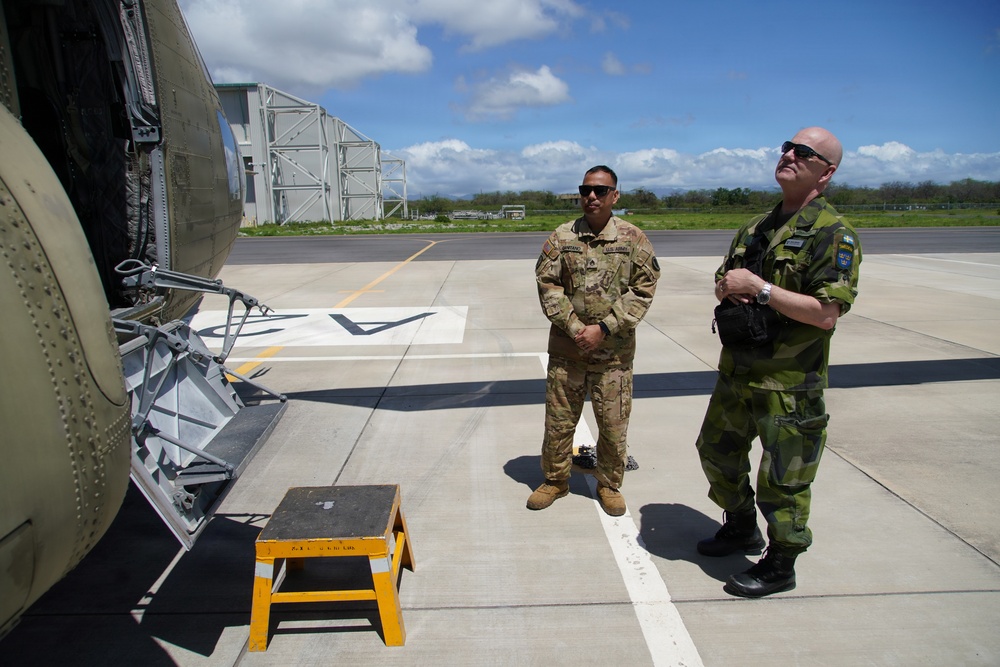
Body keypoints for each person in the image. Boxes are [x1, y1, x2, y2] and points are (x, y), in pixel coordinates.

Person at [694, 127, 861, 597]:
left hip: (789, 383)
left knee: (784, 479)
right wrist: (732, 288)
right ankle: (741, 525)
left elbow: (826, 314)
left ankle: (781, 562)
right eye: (786, 147)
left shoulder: (833, 234)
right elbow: (726, 280)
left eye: (802, 152)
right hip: (738, 372)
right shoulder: (755, 227)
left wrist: (762, 290)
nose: (788, 154)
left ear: (825, 173)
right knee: (715, 452)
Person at [527, 165, 660, 517]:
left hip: (612, 354)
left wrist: (603, 328)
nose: (591, 196)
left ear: (615, 196)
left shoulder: (633, 239)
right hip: (567, 351)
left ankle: (609, 484)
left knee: (614, 424)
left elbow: (643, 289)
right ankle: (555, 480)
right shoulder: (561, 237)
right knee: (559, 422)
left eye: (601, 191)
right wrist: (574, 328)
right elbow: (547, 285)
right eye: (586, 189)